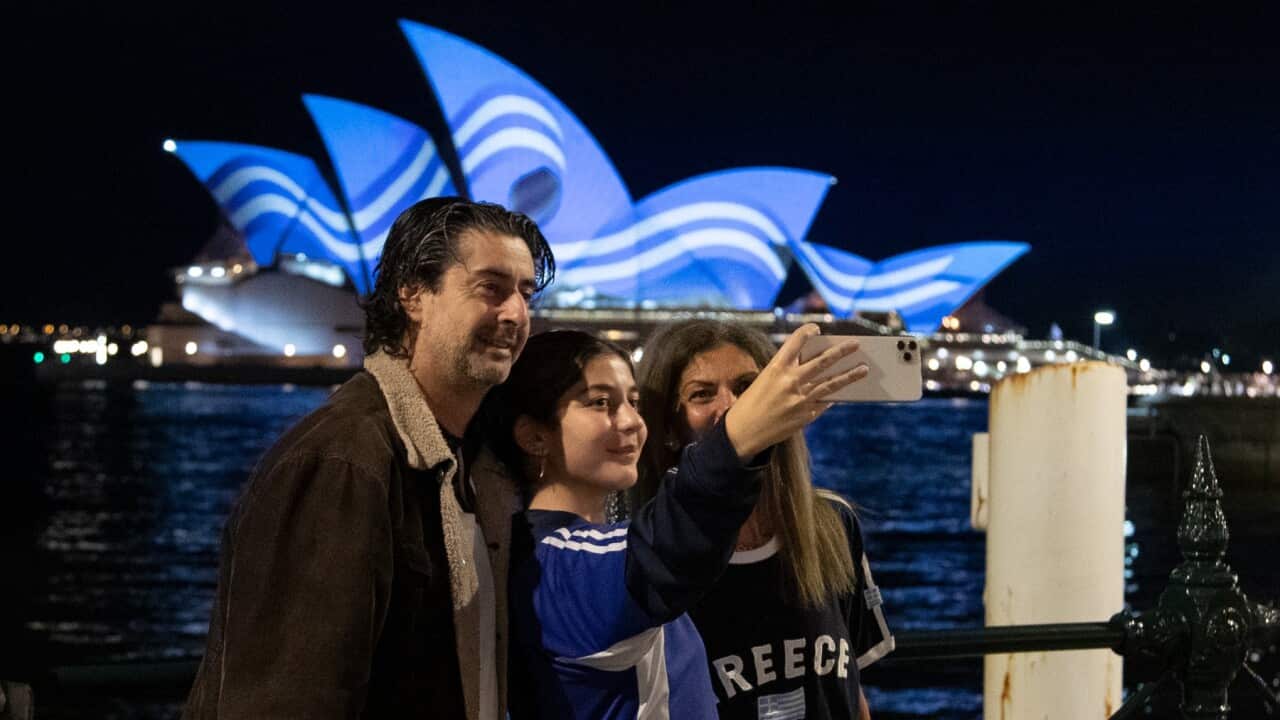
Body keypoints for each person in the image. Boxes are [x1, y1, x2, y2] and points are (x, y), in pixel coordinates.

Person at [183, 197, 554, 720]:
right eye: (490, 288)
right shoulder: (342, 462)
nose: (516, 314)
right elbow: (289, 698)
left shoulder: (466, 464)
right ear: (413, 294)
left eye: (525, 293)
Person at [483, 325, 865, 719]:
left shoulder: (577, 549)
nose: (632, 422)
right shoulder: (551, 565)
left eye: (633, 402)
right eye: (600, 403)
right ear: (534, 437)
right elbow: (669, 544)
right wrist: (740, 436)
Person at [633, 319, 895, 720]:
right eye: (702, 394)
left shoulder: (831, 526)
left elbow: (849, 692)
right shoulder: (656, 554)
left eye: (748, 387)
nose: (733, 407)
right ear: (668, 427)